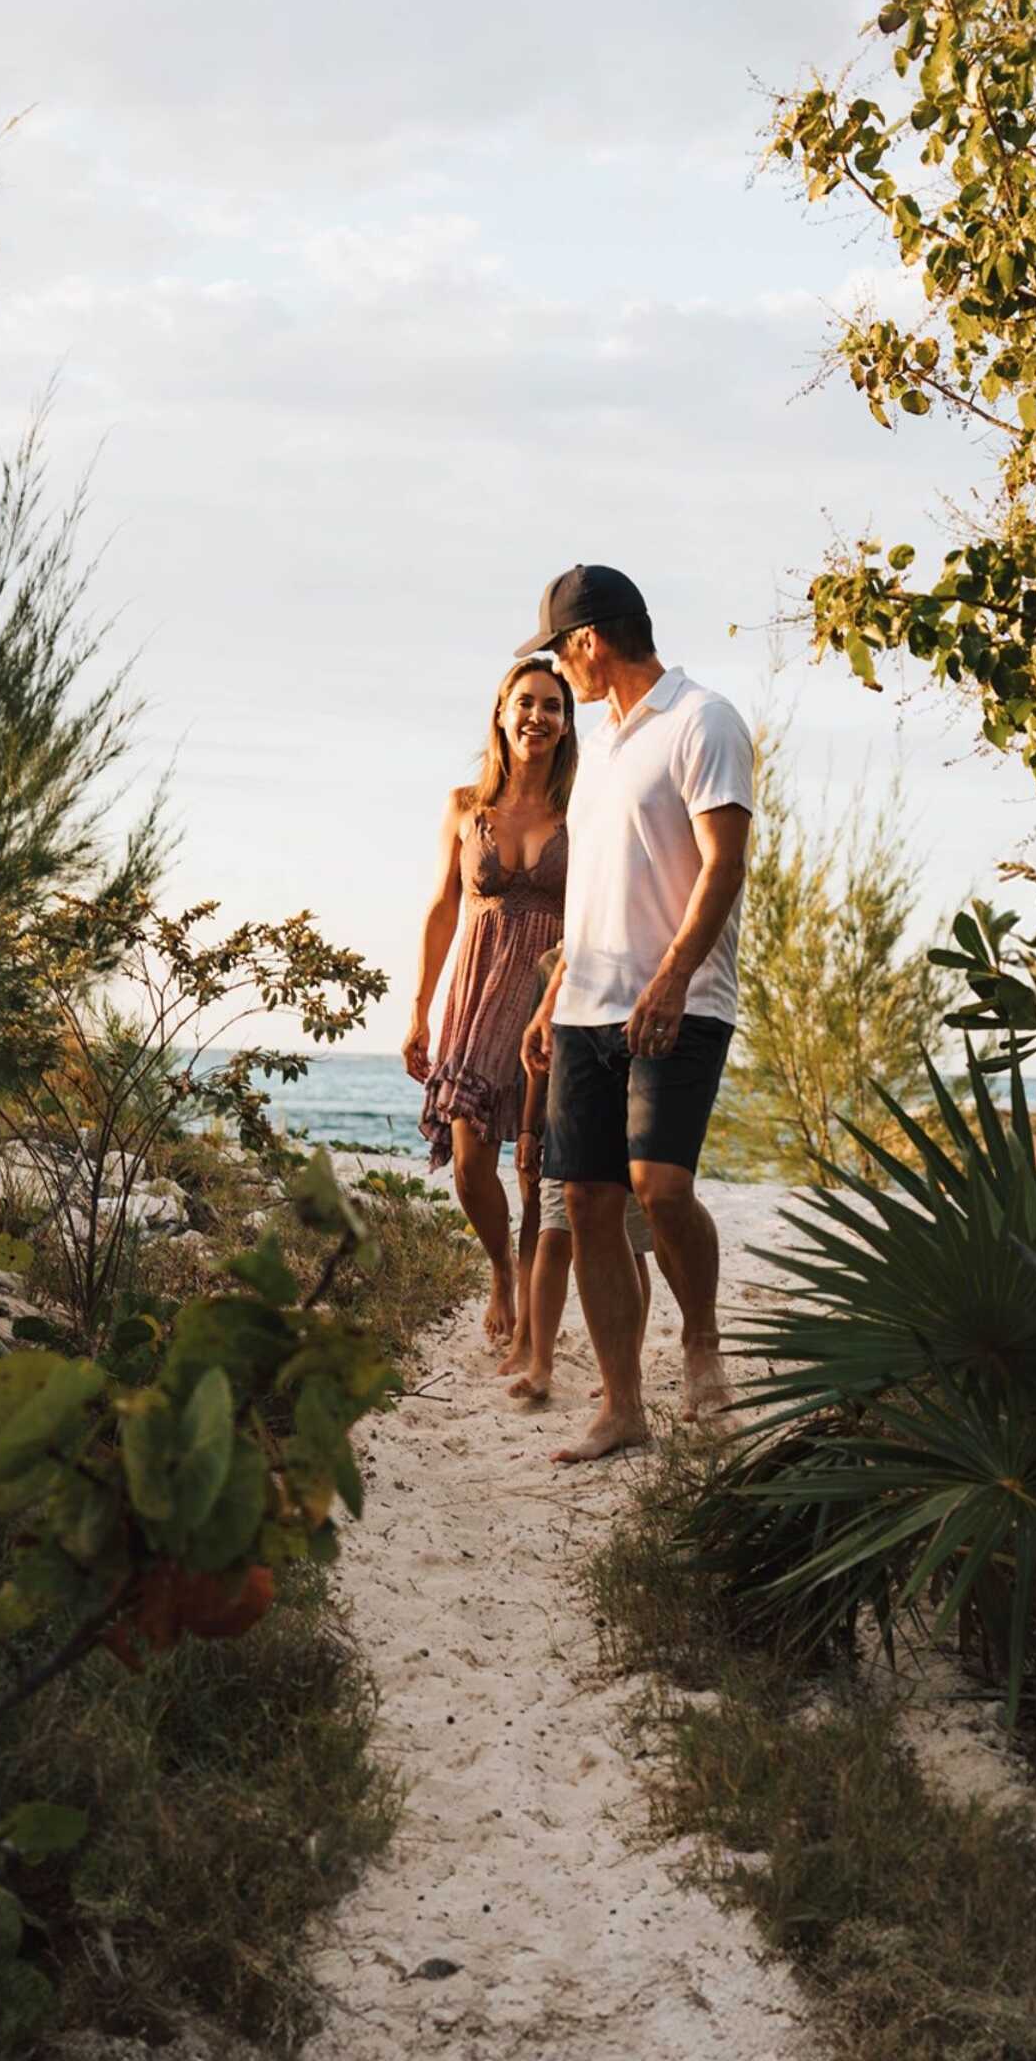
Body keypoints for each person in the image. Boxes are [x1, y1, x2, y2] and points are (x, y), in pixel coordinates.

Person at [517, 565, 753, 1463]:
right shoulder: (601, 749)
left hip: (681, 1000)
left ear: (588, 642)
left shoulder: (703, 720)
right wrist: (553, 997)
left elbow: (724, 865)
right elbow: (593, 890)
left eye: (558, 652)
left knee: (660, 1188)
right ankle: (623, 1407)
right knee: (587, 1202)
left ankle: (701, 1345)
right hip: (585, 1003)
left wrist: (673, 976)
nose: (558, 670)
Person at [403, 656, 577, 1349]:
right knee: (472, 1157)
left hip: (550, 994)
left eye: (553, 706)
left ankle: (532, 1314)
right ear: (501, 714)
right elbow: (443, 908)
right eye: (525, 702)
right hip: (476, 995)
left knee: (536, 1167)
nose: (538, 716)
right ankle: (501, 1268)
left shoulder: (581, 811)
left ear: (566, 726)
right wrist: (419, 1009)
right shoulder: (463, 806)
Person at [505, 944, 651, 1404]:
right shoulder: (550, 965)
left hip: (626, 1125)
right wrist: (528, 1128)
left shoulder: (636, 953)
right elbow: (538, 1061)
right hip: (565, 1121)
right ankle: (540, 1364)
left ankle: (625, 1366)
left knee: (629, 1247)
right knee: (552, 1238)